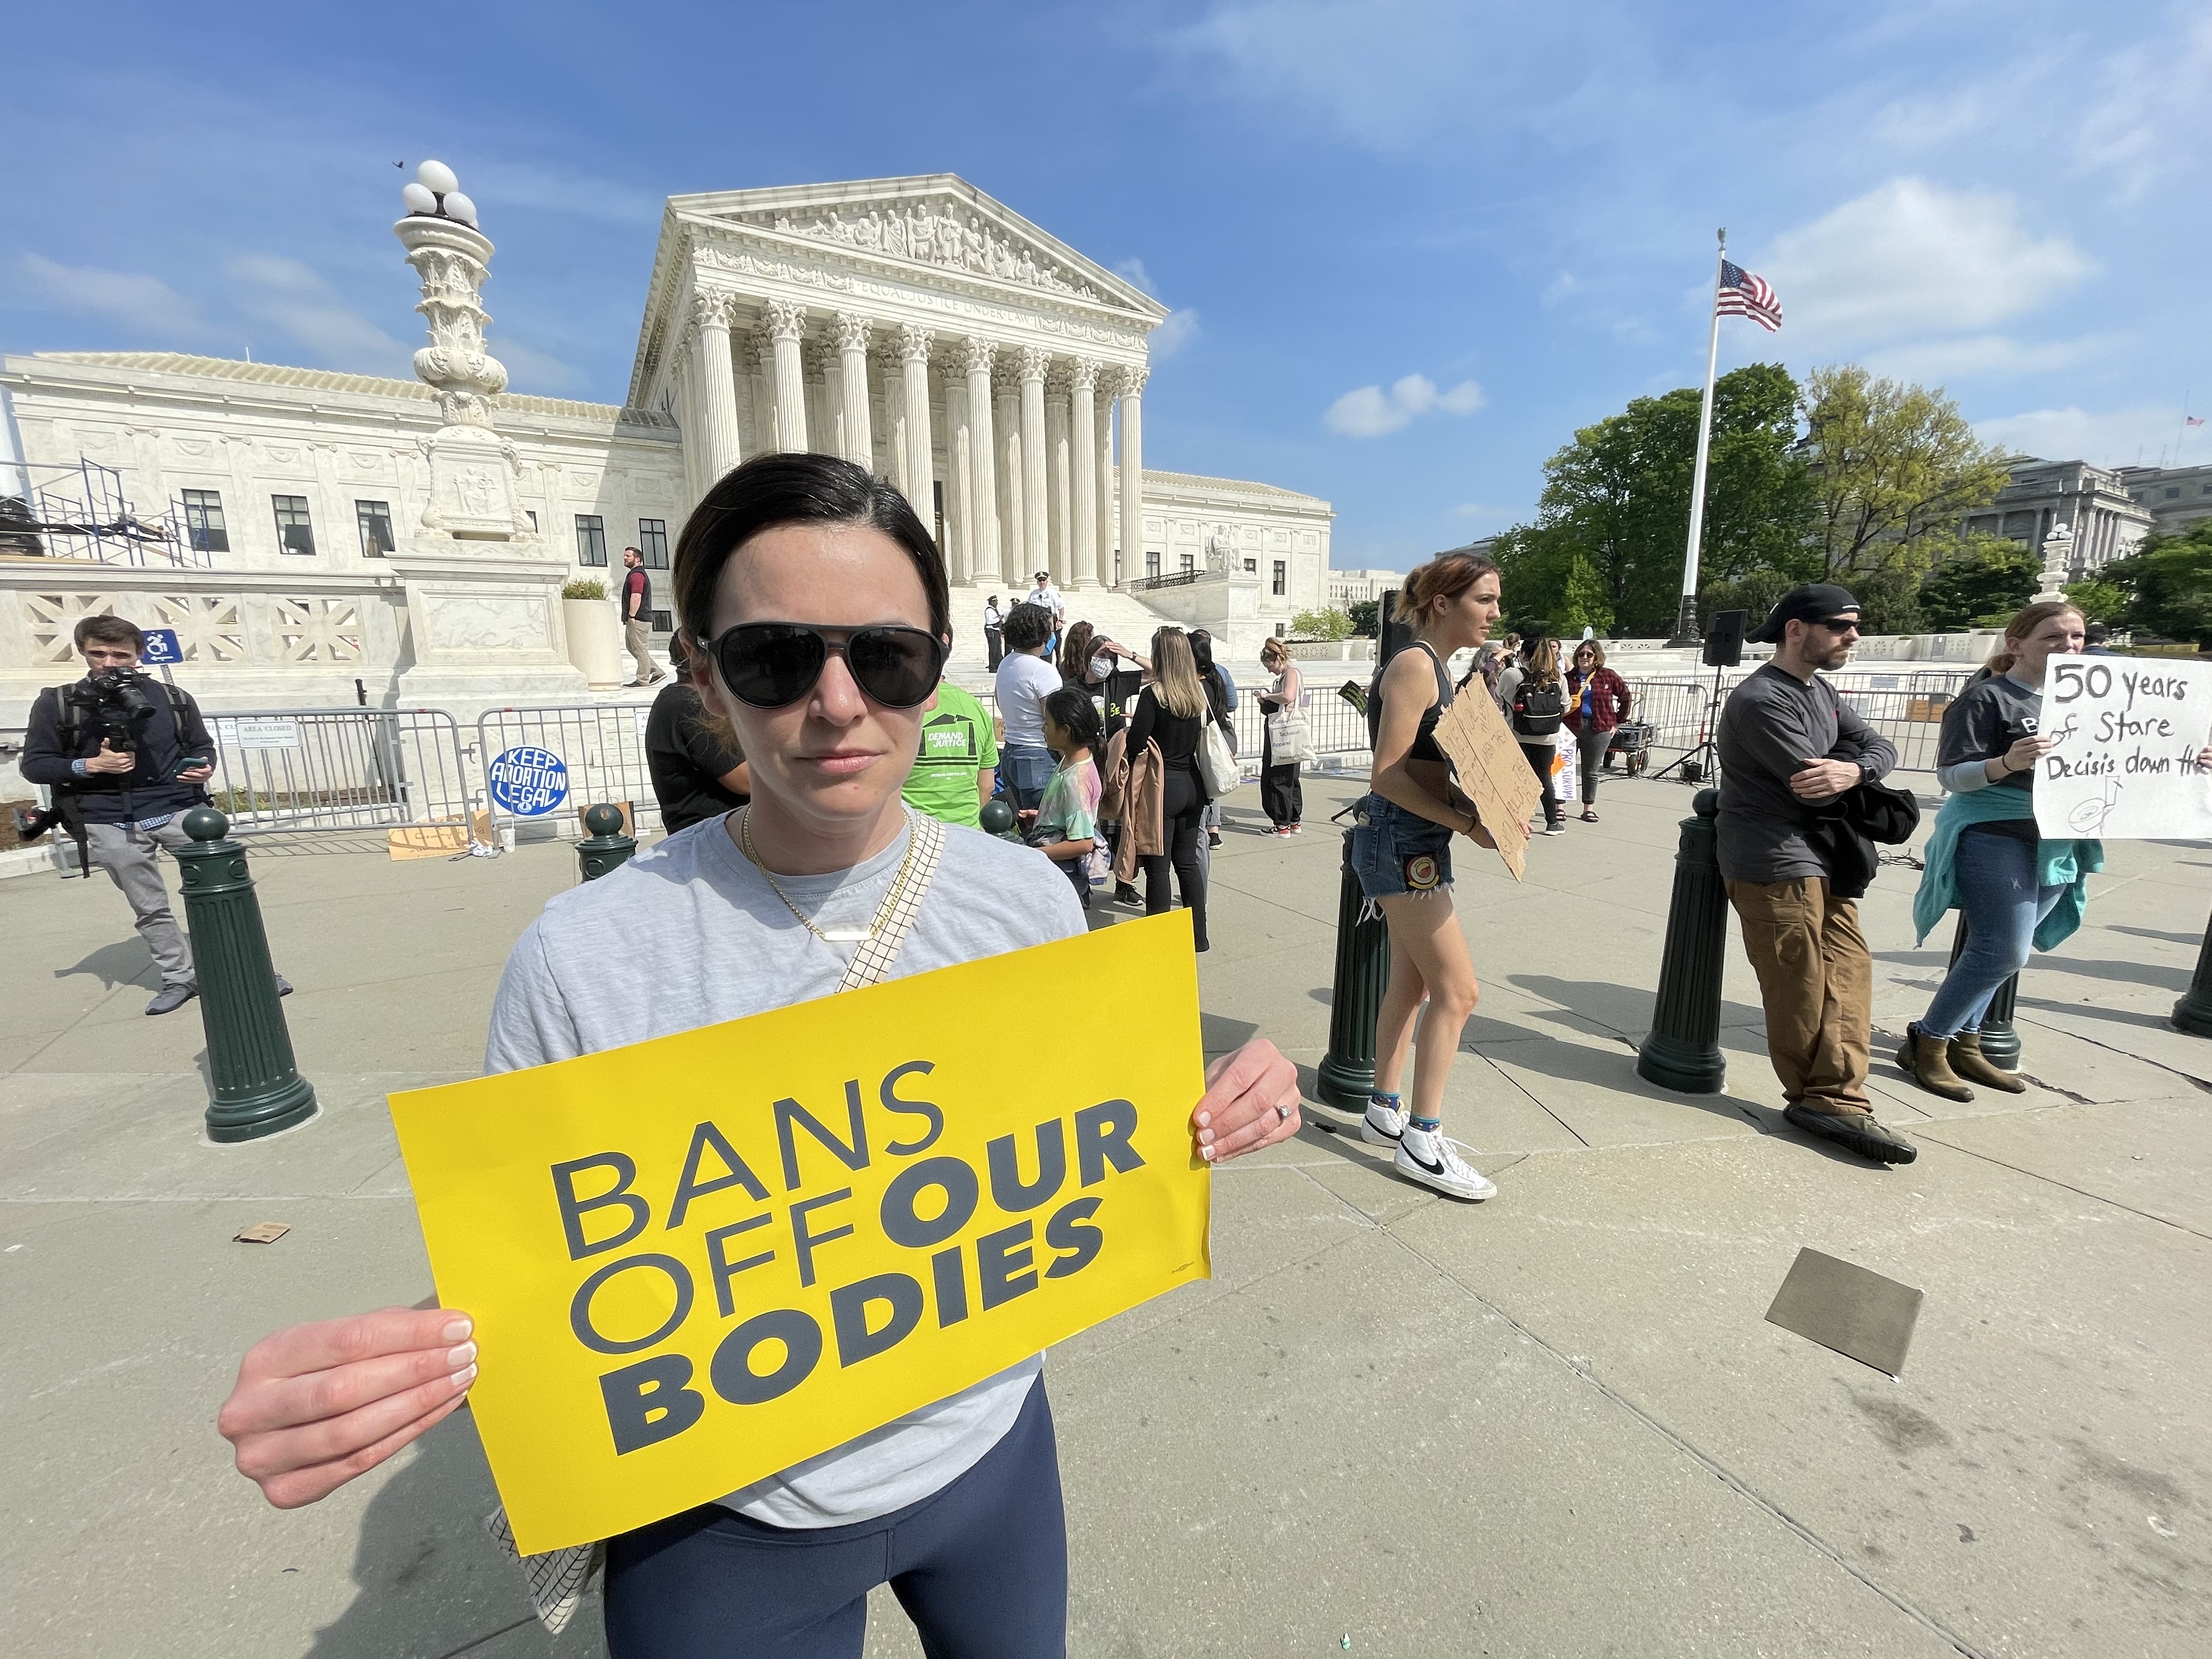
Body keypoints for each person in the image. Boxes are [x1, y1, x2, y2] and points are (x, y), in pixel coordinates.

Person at [213, 452, 1303, 1659]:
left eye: (887, 657)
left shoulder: (1029, 903)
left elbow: (1070, 1141)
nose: (837, 702)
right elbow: (570, 1271)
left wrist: (1217, 1108)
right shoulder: (582, 958)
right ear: (703, 675)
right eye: (776, 659)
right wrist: (390, 1373)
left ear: (938, 667)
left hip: (991, 1445)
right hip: (725, 1523)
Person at [1900, 602, 2201, 1099]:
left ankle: (1966, 1042)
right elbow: (1952, 776)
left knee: (2005, 952)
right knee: (2003, 949)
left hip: (2061, 837)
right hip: (1993, 832)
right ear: (2016, 645)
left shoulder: (2097, 701)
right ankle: (1928, 1042)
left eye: (2077, 636)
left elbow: (2132, 755)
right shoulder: (1986, 698)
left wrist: (2188, 759)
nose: (2069, 646)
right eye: (2054, 637)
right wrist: (2004, 763)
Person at [1716, 583, 1915, 1164]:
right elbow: (1811, 781)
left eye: (1855, 625)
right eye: (1840, 626)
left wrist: (1854, 769)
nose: (1854, 635)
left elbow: (1878, 747)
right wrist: (1852, 769)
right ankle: (1822, 1098)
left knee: (1849, 972)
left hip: (1827, 853)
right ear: (1796, 630)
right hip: (1773, 857)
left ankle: (1841, 1095)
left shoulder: (1820, 689)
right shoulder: (1761, 699)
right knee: (1799, 984)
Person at [1351, 553, 1523, 1200]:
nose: (1495, 612)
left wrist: (1492, 805)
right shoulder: (1417, 666)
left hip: (1414, 841)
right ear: (1443, 603)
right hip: (1402, 845)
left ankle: (1383, 1109)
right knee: (1460, 993)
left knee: (1415, 982)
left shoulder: (1440, 670)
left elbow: (1428, 771)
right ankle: (1423, 1141)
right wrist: (1471, 823)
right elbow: (1387, 775)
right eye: (1485, 599)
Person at [17, 614, 287, 1016]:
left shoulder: (173, 698)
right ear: (83, 652)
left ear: (139, 654)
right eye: (98, 654)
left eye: (121, 655)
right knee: (150, 907)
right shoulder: (58, 703)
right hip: (108, 818)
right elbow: (36, 765)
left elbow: (201, 746)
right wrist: (89, 766)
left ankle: (252, 970)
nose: (109, 663)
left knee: (228, 893)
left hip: (181, 810)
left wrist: (203, 766)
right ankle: (180, 977)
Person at [1122, 628, 1215, 951]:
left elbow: (1136, 743)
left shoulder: (1154, 695)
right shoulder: (1197, 695)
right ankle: (1198, 937)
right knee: (1187, 863)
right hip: (1193, 783)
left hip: (1162, 787)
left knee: (1158, 867)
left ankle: (1159, 941)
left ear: (1159, 656)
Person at [642, 636, 751, 832]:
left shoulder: (674, 698)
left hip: (708, 832)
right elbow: (744, 780)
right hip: (712, 835)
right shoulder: (690, 706)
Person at [903, 654, 999, 832]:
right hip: (967, 830)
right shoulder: (975, 708)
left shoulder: (900, 711)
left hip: (915, 832)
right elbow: (987, 785)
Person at [1030, 686, 1104, 909]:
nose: (1043, 729)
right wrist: (1044, 816)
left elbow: (1083, 843)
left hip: (1064, 873)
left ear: (1065, 731)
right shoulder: (1071, 760)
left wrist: (1035, 854)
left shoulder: (1076, 780)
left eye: (1047, 724)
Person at [994, 601, 1060, 813]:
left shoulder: (1006, 664)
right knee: (1045, 824)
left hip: (1011, 752)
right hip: (1038, 754)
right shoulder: (1042, 670)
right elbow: (1056, 717)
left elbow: (999, 699)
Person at [1500, 635, 1566, 834]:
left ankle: (1516, 821)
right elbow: (1566, 705)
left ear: (1523, 654)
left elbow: (1500, 697)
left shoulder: (1512, 675)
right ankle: (1552, 822)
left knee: (1516, 779)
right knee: (1544, 777)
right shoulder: (1558, 677)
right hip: (1547, 737)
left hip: (1517, 735)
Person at [1564, 639, 1631, 824]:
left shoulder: (1607, 676)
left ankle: (1589, 808)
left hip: (1598, 727)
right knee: (1564, 767)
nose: (1584, 657)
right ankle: (1559, 806)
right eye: (1581, 654)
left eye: (1589, 654)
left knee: (1591, 770)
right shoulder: (1568, 678)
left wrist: (1618, 722)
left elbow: (1625, 696)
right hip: (1570, 726)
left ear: (1596, 657)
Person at [1188, 630, 1236, 849]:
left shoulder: (1194, 683)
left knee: (1203, 781)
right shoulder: (1219, 673)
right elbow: (1232, 703)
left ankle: (1207, 831)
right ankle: (1214, 830)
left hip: (1201, 738)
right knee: (1212, 779)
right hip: (1219, 731)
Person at [1256, 638, 1304, 835]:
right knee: (1290, 777)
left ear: (1278, 660)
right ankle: (1293, 820)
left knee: (1278, 777)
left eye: (1270, 666)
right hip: (1291, 733)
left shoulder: (1290, 673)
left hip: (1282, 732)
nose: (1270, 671)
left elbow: (1288, 696)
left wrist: (1268, 697)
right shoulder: (1291, 674)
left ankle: (1282, 824)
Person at [620, 548, 665, 688]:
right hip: (639, 618)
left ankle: (642, 679)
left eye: (628, 556)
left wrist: (632, 616)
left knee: (640, 649)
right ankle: (657, 671)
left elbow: (636, 596)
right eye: (625, 555)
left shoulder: (637, 575)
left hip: (639, 618)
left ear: (638, 559)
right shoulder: (635, 574)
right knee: (632, 647)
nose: (625, 558)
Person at [1029, 571, 1065, 659]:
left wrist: (1060, 620)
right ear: (1037, 582)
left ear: (1047, 581)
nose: (1042, 583)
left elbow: (1061, 607)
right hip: (1038, 623)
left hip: (1050, 622)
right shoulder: (1033, 594)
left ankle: (1056, 664)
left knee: (1054, 645)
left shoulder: (1052, 593)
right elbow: (1029, 609)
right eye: (1040, 581)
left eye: (1044, 580)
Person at [983, 595, 1005, 670]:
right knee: (994, 649)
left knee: (998, 649)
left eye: (997, 601)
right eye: (995, 601)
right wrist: (999, 619)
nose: (997, 603)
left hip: (996, 631)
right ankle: (993, 667)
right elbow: (989, 621)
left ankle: (997, 665)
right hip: (991, 632)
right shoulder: (989, 610)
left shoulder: (994, 610)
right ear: (991, 602)